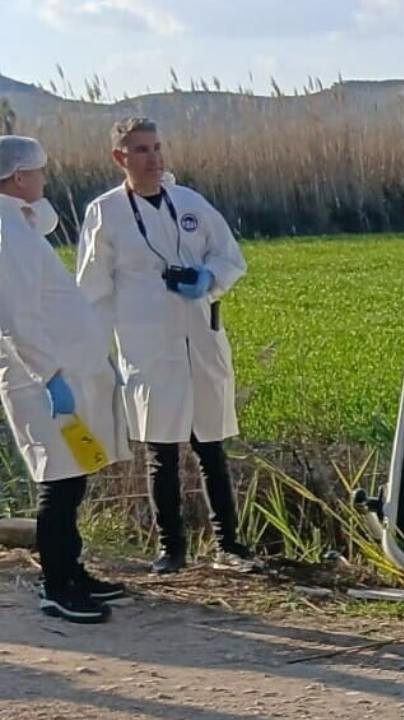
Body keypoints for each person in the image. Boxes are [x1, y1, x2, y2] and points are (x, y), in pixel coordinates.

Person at [76, 117, 257, 575]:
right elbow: (92, 290)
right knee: (162, 450)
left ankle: (228, 545)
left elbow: (228, 256)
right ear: (120, 157)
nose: (153, 157)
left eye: (157, 147)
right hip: (148, 346)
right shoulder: (106, 212)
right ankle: (171, 549)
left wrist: (208, 279)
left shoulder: (190, 202)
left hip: (200, 338)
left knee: (211, 445)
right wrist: (93, 354)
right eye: (140, 150)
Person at [0, 135, 131, 622]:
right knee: (58, 482)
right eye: (39, 172)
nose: (44, 180)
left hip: (65, 371)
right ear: (19, 177)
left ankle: (72, 570)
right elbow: (16, 316)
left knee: (73, 478)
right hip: (41, 379)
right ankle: (55, 586)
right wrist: (49, 374)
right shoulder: (6, 232)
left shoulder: (21, 225)